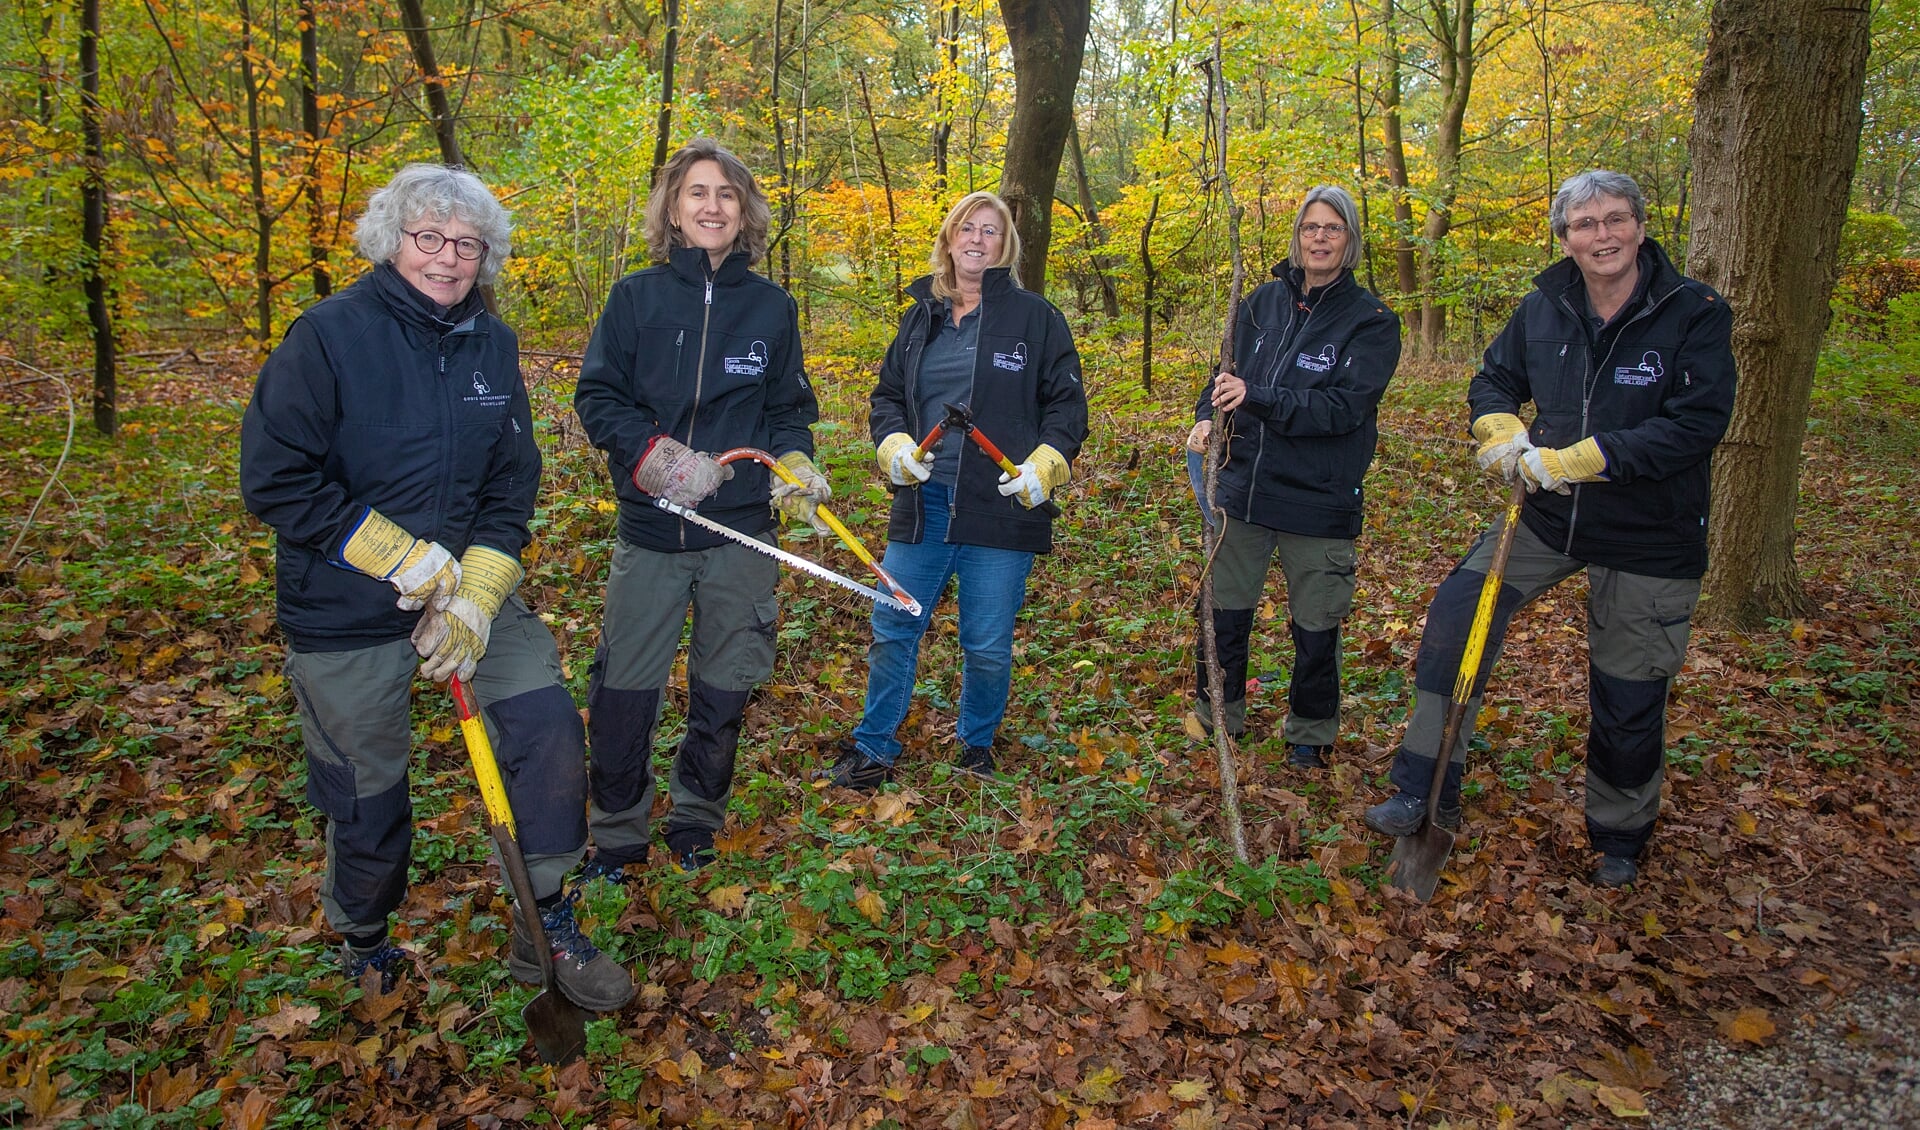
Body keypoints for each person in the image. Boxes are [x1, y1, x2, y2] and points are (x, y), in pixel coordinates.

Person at [240, 163, 634, 1010]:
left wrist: (479, 590)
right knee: (368, 787)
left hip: (463, 591)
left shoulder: (491, 342)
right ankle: (366, 936)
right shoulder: (328, 335)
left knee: (549, 732)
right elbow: (274, 479)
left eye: (468, 245)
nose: (448, 259)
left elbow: (510, 483)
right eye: (429, 238)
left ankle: (547, 916)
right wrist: (394, 556)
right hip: (345, 605)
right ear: (391, 241)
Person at [1360, 170, 1736, 888]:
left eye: (1616, 219)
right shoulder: (1544, 307)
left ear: (1640, 226)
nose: (1604, 235)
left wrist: (1585, 457)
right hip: (1547, 517)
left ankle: (1620, 835)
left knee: (1629, 687)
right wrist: (1501, 431)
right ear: (1564, 237)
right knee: (1456, 618)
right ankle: (1423, 788)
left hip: (1650, 530)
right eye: (1586, 224)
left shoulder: (1693, 312)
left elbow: (1697, 425)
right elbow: (1494, 379)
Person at [574, 138, 822, 873]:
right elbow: (598, 397)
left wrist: (797, 461)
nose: (712, 206)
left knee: (725, 684)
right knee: (625, 690)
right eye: (697, 194)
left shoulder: (773, 307)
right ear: (674, 211)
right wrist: (656, 458)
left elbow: (787, 411)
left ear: (744, 210)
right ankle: (617, 833)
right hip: (653, 531)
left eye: (726, 194)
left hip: (741, 535)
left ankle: (695, 822)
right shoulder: (634, 298)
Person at [820, 191, 1089, 789]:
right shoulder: (921, 317)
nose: (976, 239)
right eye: (967, 228)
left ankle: (976, 746)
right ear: (948, 239)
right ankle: (873, 747)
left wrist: (1043, 466)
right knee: (893, 627)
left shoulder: (1035, 319)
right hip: (923, 506)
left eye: (990, 231)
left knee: (987, 644)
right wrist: (892, 447)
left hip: (999, 506)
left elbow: (1067, 407)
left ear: (1005, 246)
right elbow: (887, 396)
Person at [1184, 185, 1402, 769]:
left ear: (1350, 239)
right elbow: (1221, 376)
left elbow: (1341, 409)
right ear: (1297, 236)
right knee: (1225, 611)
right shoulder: (1261, 302)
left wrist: (1258, 398)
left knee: (1315, 627)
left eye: (1333, 229)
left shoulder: (1372, 322)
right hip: (1242, 490)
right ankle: (1216, 715)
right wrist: (1207, 418)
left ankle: (1310, 733)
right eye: (1311, 228)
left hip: (1319, 498)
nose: (1320, 239)